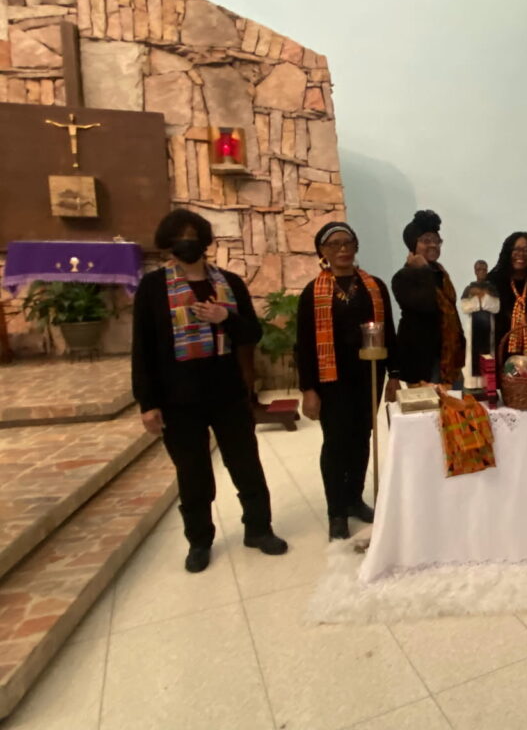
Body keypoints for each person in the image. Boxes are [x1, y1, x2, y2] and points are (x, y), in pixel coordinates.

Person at [131, 209, 287, 573]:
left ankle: (259, 529)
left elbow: (252, 333)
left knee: (245, 464)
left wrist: (225, 319)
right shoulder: (153, 288)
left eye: (191, 235)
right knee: (193, 472)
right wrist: (148, 402)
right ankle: (199, 541)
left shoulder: (230, 282)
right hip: (178, 399)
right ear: (169, 244)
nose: (185, 242)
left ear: (203, 240)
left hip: (228, 392)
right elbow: (143, 348)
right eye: (178, 237)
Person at [295, 221, 401, 541]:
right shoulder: (313, 292)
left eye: (348, 242)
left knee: (361, 440)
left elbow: (389, 332)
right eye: (335, 244)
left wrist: (394, 375)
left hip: (367, 377)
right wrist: (309, 389)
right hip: (331, 381)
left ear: (356, 247)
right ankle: (336, 511)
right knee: (336, 444)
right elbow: (304, 344)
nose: (343, 249)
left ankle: (354, 499)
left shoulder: (375, 286)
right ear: (323, 252)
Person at [391, 209, 466, 387]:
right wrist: (423, 270)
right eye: (426, 240)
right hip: (422, 362)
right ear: (412, 245)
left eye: (436, 240)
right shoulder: (403, 276)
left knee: (453, 412)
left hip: (449, 360)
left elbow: (451, 313)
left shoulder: (440, 273)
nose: (433, 245)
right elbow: (426, 305)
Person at [488, 232, 527, 357]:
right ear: (508, 252)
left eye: (526, 250)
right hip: (498, 351)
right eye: (516, 249)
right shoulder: (493, 281)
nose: (521, 254)